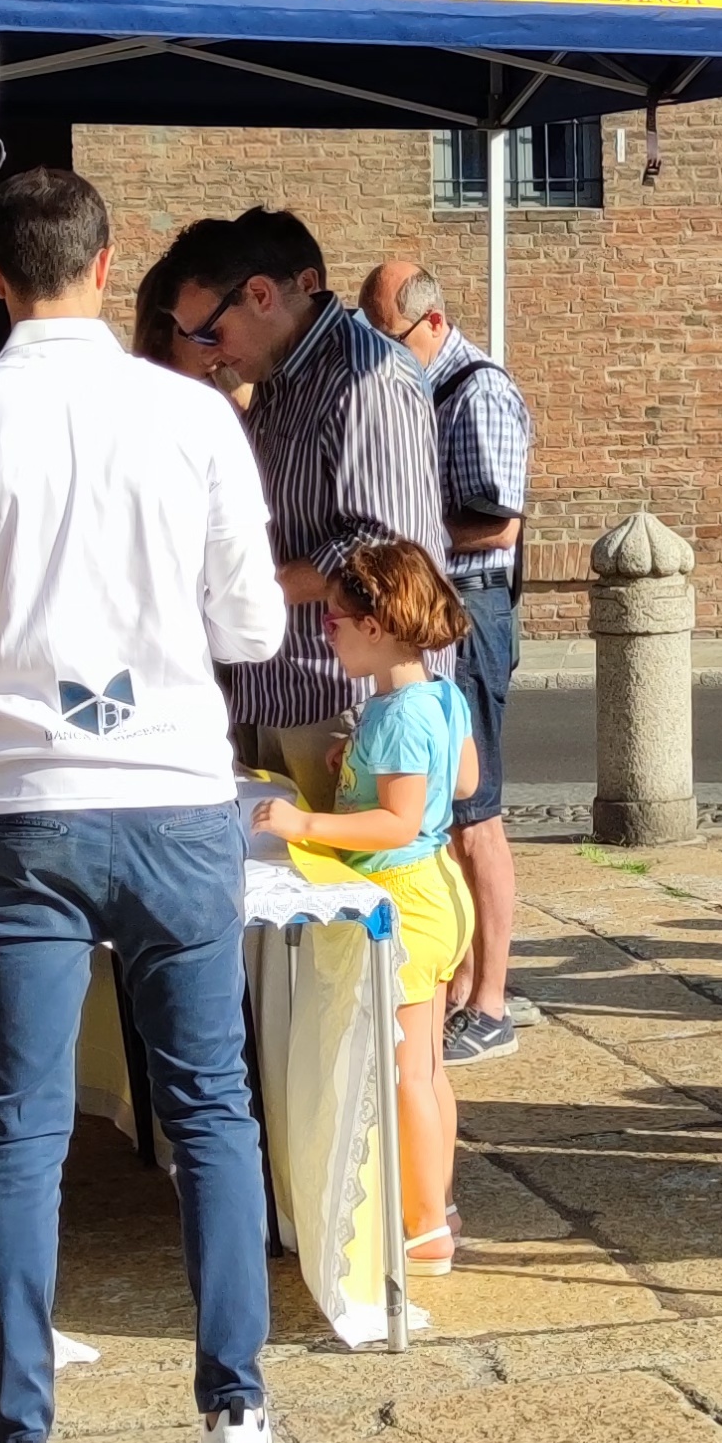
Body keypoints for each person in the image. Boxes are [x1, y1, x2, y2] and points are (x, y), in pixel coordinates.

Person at [0, 166, 291, 1443]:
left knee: (21, 1127)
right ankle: (234, 1415)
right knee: (212, 1108)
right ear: (111, 267)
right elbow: (253, 632)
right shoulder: (193, 415)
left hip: (29, 798)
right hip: (172, 790)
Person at [152, 208, 445, 795]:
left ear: (259, 294)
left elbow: (388, 549)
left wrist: (249, 589)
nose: (207, 354)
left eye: (210, 333)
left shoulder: (368, 379)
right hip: (277, 688)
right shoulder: (283, 377)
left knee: (340, 882)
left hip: (344, 703)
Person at [249, 539, 482, 1276]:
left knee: (409, 1070)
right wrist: (355, 767)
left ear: (376, 625)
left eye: (333, 622)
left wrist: (306, 824)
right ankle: (437, 1204)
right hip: (441, 892)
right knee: (431, 1067)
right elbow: (465, 782)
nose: (327, 633)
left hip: (406, 899)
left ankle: (422, 1229)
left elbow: (398, 823)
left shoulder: (395, 713)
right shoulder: (437, 694)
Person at [360, 259, 538, 1066]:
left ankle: (493, 1000)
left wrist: (407, 535)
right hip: (440, 610)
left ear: (429, 323)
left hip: (470, 610)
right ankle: (462, 984)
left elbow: (498, 521)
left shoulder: (479, 390)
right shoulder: (424, 384)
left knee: (477, 812)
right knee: (442, 811)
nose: (381, 353)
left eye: (388, 337)